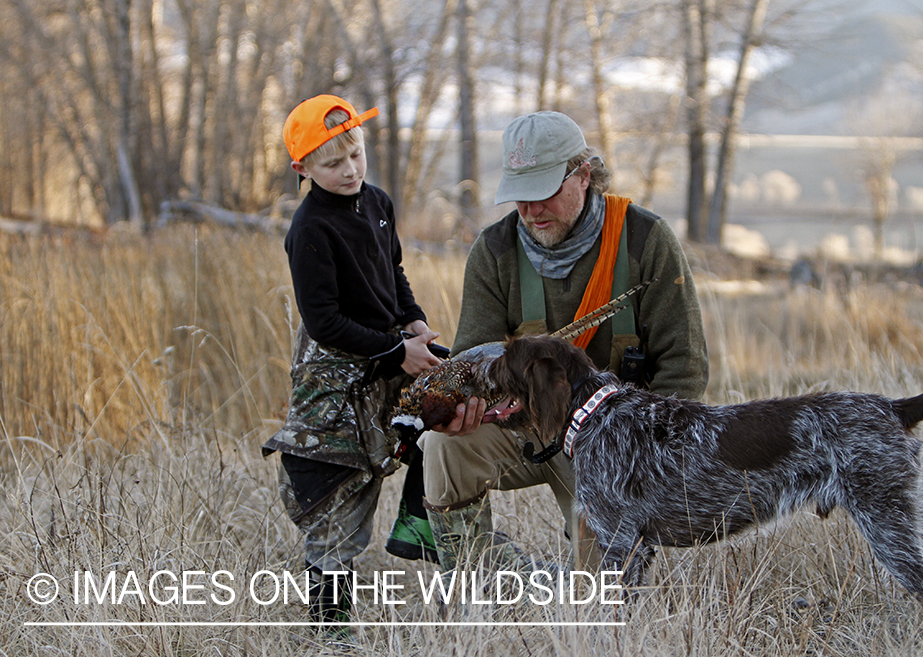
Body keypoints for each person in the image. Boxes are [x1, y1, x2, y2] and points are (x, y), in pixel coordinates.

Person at [419, 110, 709, 573]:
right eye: (520, 197)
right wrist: (462, 407)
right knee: (444, 448)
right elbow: (474, 362)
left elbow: (685, 368)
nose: (532, 211)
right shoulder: (494, 252)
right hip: (527, 431)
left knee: (599, 602)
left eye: (544, 193)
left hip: (615, 445)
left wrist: (642, 459)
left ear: (584, 175)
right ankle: (477, 587)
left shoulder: (645, 241)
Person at [262, 94, 443, 623]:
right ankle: (330, 628)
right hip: (336, 375)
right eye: (333, 163)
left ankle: (420, 531)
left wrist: (414, 322)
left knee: (438, 424)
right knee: (336, 487)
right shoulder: (310, 230)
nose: (349, 170)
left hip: (390, 350)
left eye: (356, 155)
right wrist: (395, 350)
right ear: (303, 168)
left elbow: (394, 274)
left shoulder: (379, 203)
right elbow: (324, 323)